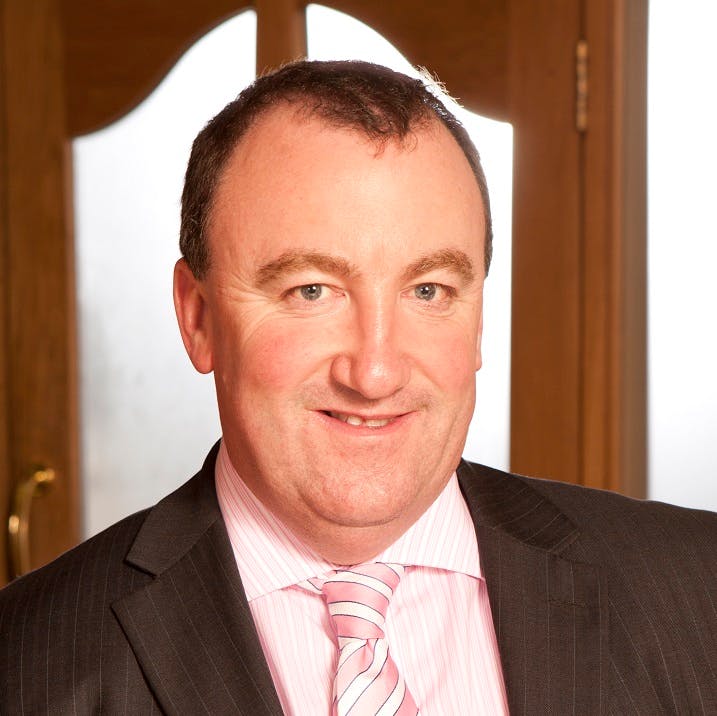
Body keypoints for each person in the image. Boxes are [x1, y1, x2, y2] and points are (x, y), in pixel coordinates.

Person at [1, 60, 716, 716]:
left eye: (428, 290)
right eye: (311, 290)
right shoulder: (25, 664)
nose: (374, 374)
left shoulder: (697, 590)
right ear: (198, 318)